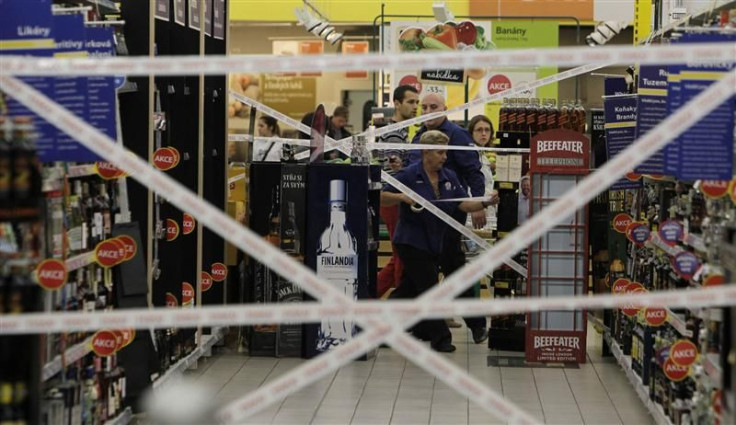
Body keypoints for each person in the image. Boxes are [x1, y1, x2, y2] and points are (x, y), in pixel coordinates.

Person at [381, 131, 497, 353]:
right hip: (411, 242)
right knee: (429, 287)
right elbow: (382, 197)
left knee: (408, 289)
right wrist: (402, 198)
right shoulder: (408, 175)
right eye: (440, 152)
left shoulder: (449, 177)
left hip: (435, 241)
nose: (444, 157)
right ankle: (441, 338)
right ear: (426, 152)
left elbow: (463, 204)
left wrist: (484, 203)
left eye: (446, 152)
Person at [408, 93, 494, 344]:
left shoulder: (457, 136)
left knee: (454, 270)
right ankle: (422, 327)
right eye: (424, 107)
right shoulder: (418, 136)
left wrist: (478, 204)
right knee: (417, 275)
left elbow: (473, 173)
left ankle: (476, 325)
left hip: (447, 218)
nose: (427, 111)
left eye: (433, 107)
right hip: (420, 218)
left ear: (445, 109)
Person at [376, 85, 419, 298]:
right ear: (397, 103)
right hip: (392, 198)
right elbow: (395, 169)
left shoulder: (401, 131)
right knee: (401, 256)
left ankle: (366, 296)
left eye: (416, 102)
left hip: (395, 197)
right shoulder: (393, 133)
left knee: (399, 257)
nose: (415, 107)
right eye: (411, 102)